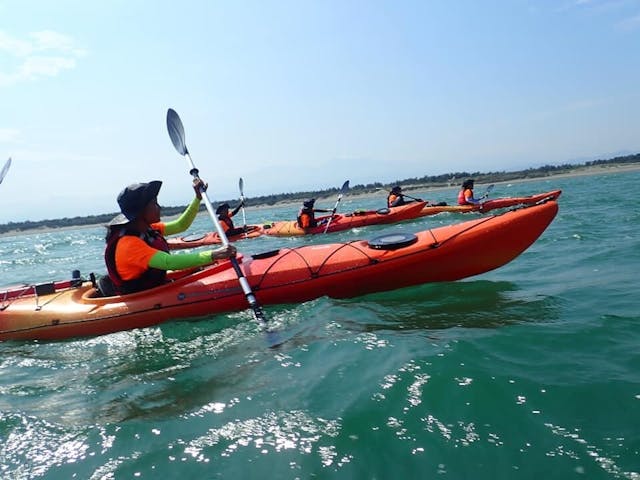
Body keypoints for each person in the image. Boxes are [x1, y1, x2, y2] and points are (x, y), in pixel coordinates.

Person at [102, 179, 236, 295]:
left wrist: (197, 198)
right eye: (154, 203)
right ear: (141, 211)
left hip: (154, 286)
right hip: (140, 294)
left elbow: (180, 225)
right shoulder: (129, 244)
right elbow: (169, 262)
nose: (159, 207)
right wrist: (214, 254)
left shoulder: (148, 229)